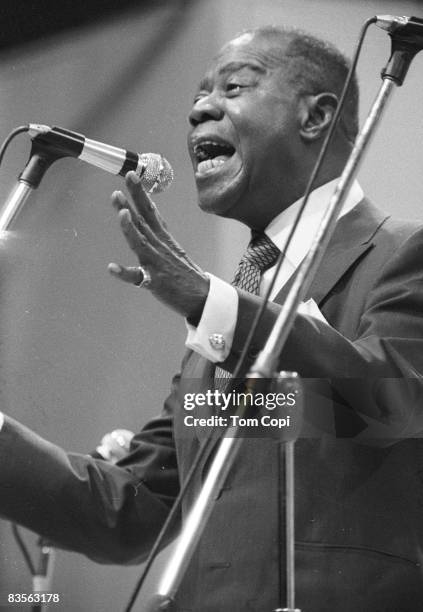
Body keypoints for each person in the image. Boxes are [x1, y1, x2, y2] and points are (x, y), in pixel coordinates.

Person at [1, 25, 423, 611]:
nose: (199, 108)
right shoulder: (221, 320)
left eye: (233, 87)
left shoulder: (403, 253)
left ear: (315, 116)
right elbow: (131, 511)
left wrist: (208, 301)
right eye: (199, 93)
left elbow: (394, 408)